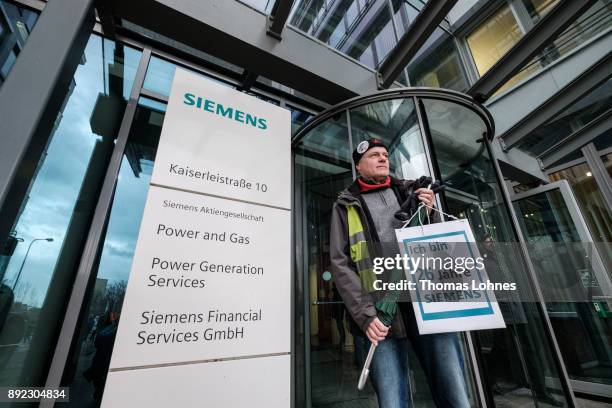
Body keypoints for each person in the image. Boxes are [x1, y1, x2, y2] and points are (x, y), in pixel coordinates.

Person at [330, 138, 470, 408]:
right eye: (374, 155)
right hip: (380, 315)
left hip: (428, 306)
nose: (383, 158)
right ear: (359, 166)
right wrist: (366, 316)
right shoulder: (345, 205)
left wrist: (428, 214)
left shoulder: (413, 192)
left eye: (385, 154)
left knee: (455, 394)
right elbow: (340, 263)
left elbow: (439, 246)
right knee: (392, 401)